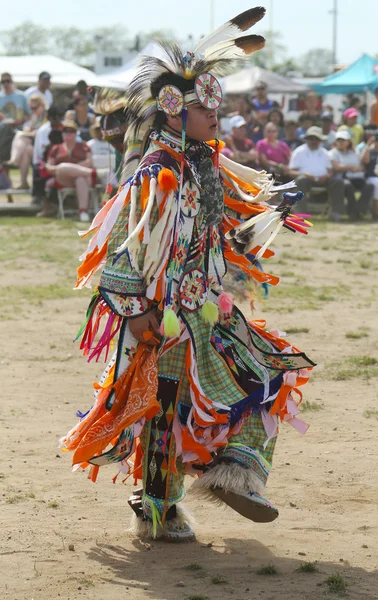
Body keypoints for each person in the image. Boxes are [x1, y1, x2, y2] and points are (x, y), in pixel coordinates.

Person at [60, 6, 314, 543]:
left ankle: (235, 475)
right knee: (164, 407)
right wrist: (133, 314)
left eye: (216, 102)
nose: (216, 112)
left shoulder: (203, 163)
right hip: (162, 315)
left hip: (205, 308)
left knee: (269, 372)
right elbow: (121, 252)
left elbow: (226, 220)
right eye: (205, 105)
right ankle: (158, 508)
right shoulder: (156, 176)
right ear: (173, 111)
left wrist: (268, 215)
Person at [288, 126, 345, 221]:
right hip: (306, 180)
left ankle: (336, 213)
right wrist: (304, 174)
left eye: (316, 139)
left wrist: (327, 176)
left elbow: (330, 171)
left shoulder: (324, 153)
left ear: (320, 140)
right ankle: (301, 212)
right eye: (311, 138)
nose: (314, 141)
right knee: (301, 180)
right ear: (307, 139)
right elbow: (291, 171)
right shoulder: (299, 151)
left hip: (323, 179)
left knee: (338, 182)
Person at [44, 119, 94, 221]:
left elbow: (89, 162)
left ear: (76, 133)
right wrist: (63, 168)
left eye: (71, 131)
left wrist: (73, 168)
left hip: (83, 178)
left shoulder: (83, 146)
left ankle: (83, 211)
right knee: (63, 167)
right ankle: (95, 174)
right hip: (64, 179)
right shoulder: (56, 148)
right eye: (65, 131)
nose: (67, 134)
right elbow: (49, 167)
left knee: (79, 178)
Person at [328, 130, 373, 219]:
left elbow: (362, 166)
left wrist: (348, 167)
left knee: (369, 186)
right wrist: (352, 168)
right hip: (341, 179)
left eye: (343, 140)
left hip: (357, 178)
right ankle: (353, 213)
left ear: (348, 142)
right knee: (348, 185)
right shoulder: (333, 152)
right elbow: (336, 167)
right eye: (338, 140)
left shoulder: (355, 153)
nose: (340, 142)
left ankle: (359, 210)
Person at [7, 94, 47, 189]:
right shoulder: (36, 116)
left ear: (42, 106)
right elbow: (30, 130)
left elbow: (42, 133)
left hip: (45, 151)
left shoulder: (47, 116)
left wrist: (30, 132)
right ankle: (24, 182)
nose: (33, 111)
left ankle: (14, 160)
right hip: (35, 149)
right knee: (26, 150)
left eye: (35, 108)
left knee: (20, 136)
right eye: (31, 108)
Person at [0, 73, 30, 163]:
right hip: (2, 131)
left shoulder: (21, 96)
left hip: (18, 129)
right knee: (3, 156)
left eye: (7, 81)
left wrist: (21, 120)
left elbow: (29, 115)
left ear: (12, 82)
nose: (5, 84)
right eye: (3, 81)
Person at [87, 117, 117, 187]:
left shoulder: (112, 143)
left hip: (112, 171)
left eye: (102, 129)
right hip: (96, 172)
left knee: (110, 172)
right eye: (98, 129)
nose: (101, 132)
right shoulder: (90, 144)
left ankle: (113, 191)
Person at [361, 131, 378, 220]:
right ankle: (375, 213)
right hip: (370, 177)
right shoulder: (370, 151)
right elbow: (365, 161)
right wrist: (368, 146)